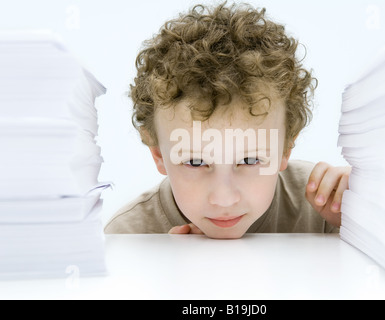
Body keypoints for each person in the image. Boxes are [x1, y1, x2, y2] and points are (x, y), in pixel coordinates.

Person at [104, 2, 351, 239]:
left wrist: (360, 222)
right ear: (158, 154)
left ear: (285, 148)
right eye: (195, 161)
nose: (224, 199)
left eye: (250, 160)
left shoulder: (325, 209)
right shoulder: (128, 237)